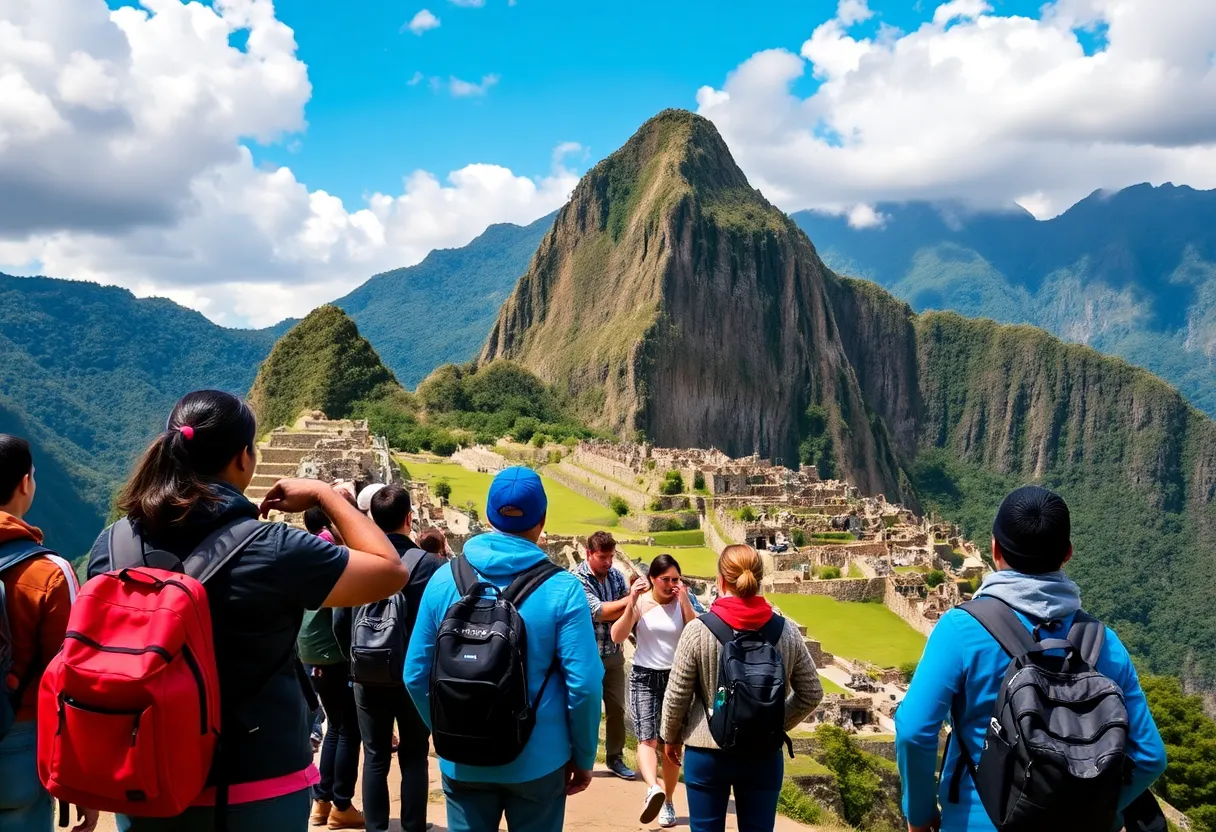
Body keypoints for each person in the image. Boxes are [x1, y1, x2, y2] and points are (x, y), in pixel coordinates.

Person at [86, 390, 408, 831]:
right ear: (243, 457)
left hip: (143, 777)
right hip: (256, 782)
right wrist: (325, 495)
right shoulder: (274, 548)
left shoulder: (113, 544)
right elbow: (390, 570)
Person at [895, 486, 1168, 832]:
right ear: (1067, 553)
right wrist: (1098, 813)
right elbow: (1150, 757)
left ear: (994, 548)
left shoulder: (961, 630)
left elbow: (914, 730)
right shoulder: (1106, 644)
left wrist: (919, 814)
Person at [404, 467, 602, 832]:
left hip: (463, 758)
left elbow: (415, 674)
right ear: (542, 519)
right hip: (538, 756)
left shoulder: (444, 579)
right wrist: (584, 755)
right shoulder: (563, 589)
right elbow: (585, 685)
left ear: (489, 514)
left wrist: (450, 728)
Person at [661, 545, 822, 832]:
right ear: (759, 579)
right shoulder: (785, 632)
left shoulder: (698, 631)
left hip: (707, 749)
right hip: (763, 753)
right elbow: (811, 692)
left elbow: (677, 696)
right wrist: (770, 723)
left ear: (721, 580)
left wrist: (671, 738)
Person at [0, 436, 96, 832]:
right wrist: (80, 780)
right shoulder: (51, 573)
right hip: (17, 744)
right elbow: (71, 678)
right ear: (25, 483)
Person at [351, 485, 443, 832]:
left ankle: (376, 827)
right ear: (409, 518)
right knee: (414, 755)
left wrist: (357, 661)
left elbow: (341, 620)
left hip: (369, 670)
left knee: (374, 755)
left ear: (373, 519)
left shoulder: (359, 559)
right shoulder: (431, 565)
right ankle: (413, 825)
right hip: (414, 672)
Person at [611, 554, 696, 827]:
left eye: (676, 579)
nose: (671, 585)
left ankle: (668, 800)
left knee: (672, 745)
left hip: (676, 679)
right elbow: (617, 635)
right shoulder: (641, 602)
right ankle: (653, 788)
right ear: (652, 579)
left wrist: (684, 601)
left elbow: (695, 633)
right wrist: (631, 603)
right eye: (666, 579)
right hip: (644, 676)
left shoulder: (683, 602)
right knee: (646, 738)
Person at [296, 507, 363, 828]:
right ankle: (341, 805)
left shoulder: (306, 553)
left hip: (310, 655)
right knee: (349, 729)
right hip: (331, 657)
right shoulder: (332, 557)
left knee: (335, 726)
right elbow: (339, 618)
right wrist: (351, 657)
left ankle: (322, 802)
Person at [573, 530, 637, 780]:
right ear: (588, 553)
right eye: (603, 557)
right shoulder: (577, 579)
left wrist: (623, 606)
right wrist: (630, 600)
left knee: (617, 709)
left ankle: (615, 758)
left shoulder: (616, 576)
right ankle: (578, 760)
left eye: (611, 556)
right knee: (584, 710)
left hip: (613, 653)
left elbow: (625, 614)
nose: (608, 562)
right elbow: (599, 612)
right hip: (586, 656)